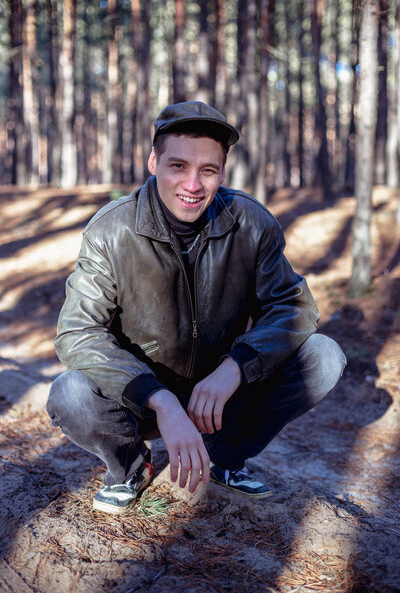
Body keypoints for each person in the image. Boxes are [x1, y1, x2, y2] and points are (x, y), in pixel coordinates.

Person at [47, 101, 346, 515]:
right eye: (177, 166)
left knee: (324, 356)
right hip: (141, 399)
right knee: (70, 393)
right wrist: (159, 399)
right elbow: (78, 332)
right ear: (153, 162)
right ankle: (130, 467)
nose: (193, 184)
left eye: (208, 170)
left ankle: (223, 456)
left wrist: (235, 368)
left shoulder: (251, 223)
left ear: (221, 172)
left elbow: (293, 308)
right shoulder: (110, 230)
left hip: (219, 399)